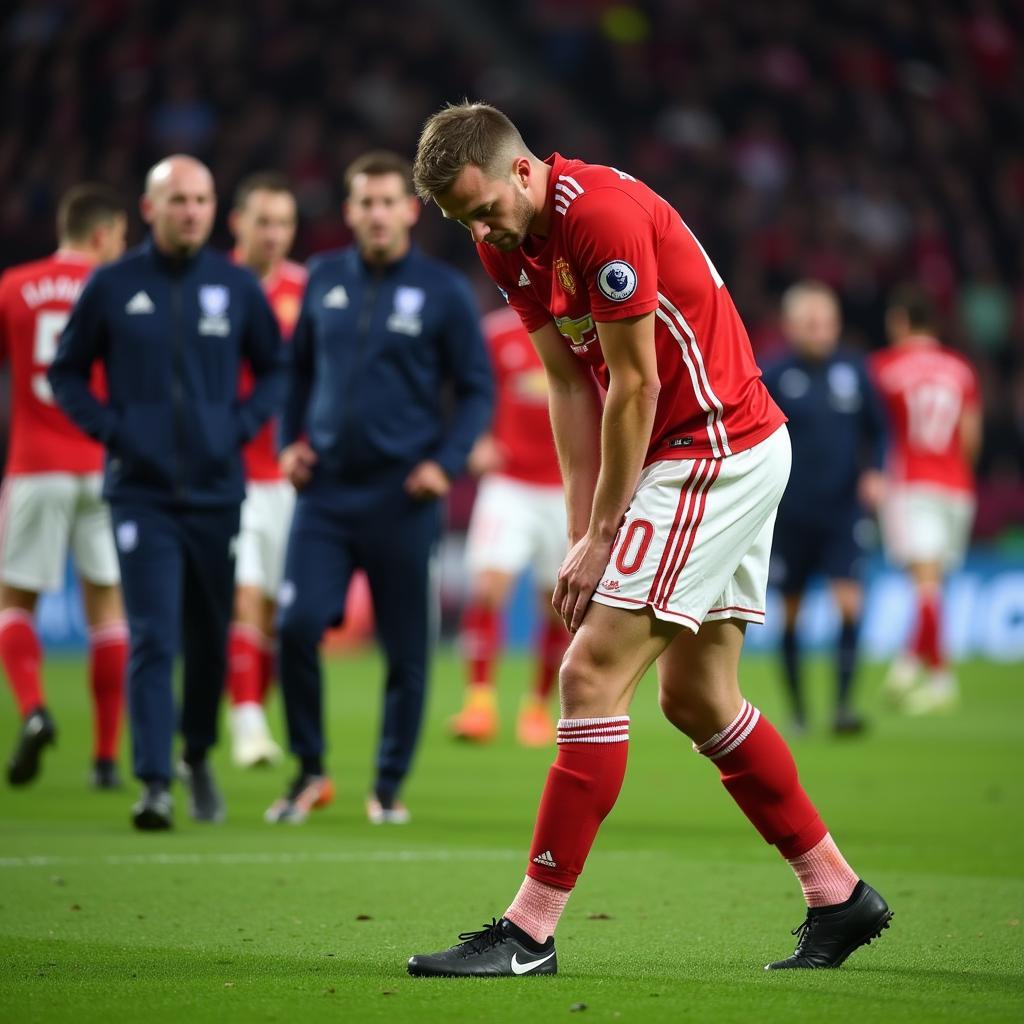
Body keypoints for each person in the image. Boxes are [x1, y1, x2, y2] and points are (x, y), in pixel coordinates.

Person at [407, 101, 892, 977]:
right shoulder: (506, 242)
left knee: (589, 673)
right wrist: (577, 530)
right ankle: (839, 894)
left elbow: (632, 384)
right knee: (698, 700)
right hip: (712, 448)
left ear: (522, 170)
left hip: (710, 446)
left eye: (485, 209)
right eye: (464, 222)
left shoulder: (597, 217)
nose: (482, 231)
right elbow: (566, 385)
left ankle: (528, 934)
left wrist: (604, 534)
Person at [49, 155, 284, 830]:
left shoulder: (235, 286)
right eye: (178, 199)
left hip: (216, 493)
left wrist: (237, 426)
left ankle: (198, 756)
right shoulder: (113, 285)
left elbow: (274, 367)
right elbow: (65, 373)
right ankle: (152, 782)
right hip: (140, 495)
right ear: (148, 210)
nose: (191, 211)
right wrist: (114, 431)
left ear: (215, 210)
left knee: (210, 638)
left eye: (202, 199)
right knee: (153, 635)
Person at [265, 150, 492, 827]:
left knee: (407, 650)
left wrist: (445, 462)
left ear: (411, 210)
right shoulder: (324, 279)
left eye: (389, 201)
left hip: (404, 497)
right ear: (349, 211)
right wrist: (288, 442)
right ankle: (309, 772)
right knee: (298, 626)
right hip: (326, 494)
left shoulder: (444, 291)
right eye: (365, 202)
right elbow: (296, 372)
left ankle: (387, 785)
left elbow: (477, 390)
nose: (377, 213)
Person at [0, 184, 129, 790]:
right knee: (107, 607)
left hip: (34, 464)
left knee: (13, 603)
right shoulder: (117, 290)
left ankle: (33, 709)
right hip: (102, 463)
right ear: (102, 234)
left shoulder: (14, 288)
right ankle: (105, 758)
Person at [762, 281, 887, 735]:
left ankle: (842, 708)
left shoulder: (855, 371)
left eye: (827, 322)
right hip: (790, 513)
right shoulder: (773, 376)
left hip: (842, 513)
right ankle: (797, 712)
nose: (821, 330)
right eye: (812, 323)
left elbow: (880, 431)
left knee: (850, 605)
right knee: (791, 612)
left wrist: (876, 471)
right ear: (792, 327)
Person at [451, 305, 568, 747]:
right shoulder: (496, 332)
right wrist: (477, 437)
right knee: (486, 589)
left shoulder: (585, 324)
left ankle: (536, 707)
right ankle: (479, 704)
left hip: (566, 487)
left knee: (558, 604)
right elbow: (469, 390)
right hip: (509, 485)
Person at [225, 172, 306, 768]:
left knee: (278, 613)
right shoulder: (211, 286)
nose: (275, 234)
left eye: (284, 223)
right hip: (226, 476)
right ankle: (247, 724)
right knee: (243, 597)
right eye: (264, 222)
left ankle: (250, 709)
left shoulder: (308, 291)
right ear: (239, 224)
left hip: (290, 478)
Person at [869, 286, 981, 714]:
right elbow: (971, 436)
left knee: (925, 586)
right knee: (934, 585)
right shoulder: (961, 370)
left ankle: (938, 680)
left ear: (900, 321)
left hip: (910, 482)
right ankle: (908, 667)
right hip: (957, 485)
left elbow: (875, 431)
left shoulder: (883, 368)